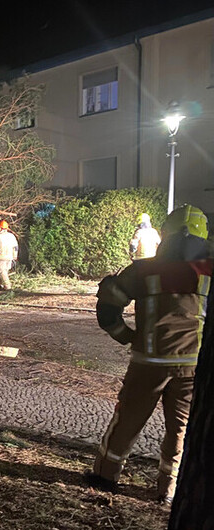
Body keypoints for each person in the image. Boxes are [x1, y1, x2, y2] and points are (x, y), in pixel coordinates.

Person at [85, 204, 212, 504]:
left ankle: (105, 476)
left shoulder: (143, 270)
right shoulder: (209, 271)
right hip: (193, 367)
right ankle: (168, 490)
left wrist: (127, 336)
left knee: (127, 420)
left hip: (148, 364)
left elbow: (107, 307)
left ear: (165, 234)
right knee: (182, 429)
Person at [0, 220, 18, 290]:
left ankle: (8, 286)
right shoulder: (12, 236)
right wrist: (15, 256)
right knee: (4, 271)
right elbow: (15, 247)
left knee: (2, 272)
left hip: (1, 257)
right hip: (10, 257)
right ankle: (1, 286)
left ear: (0, 228)